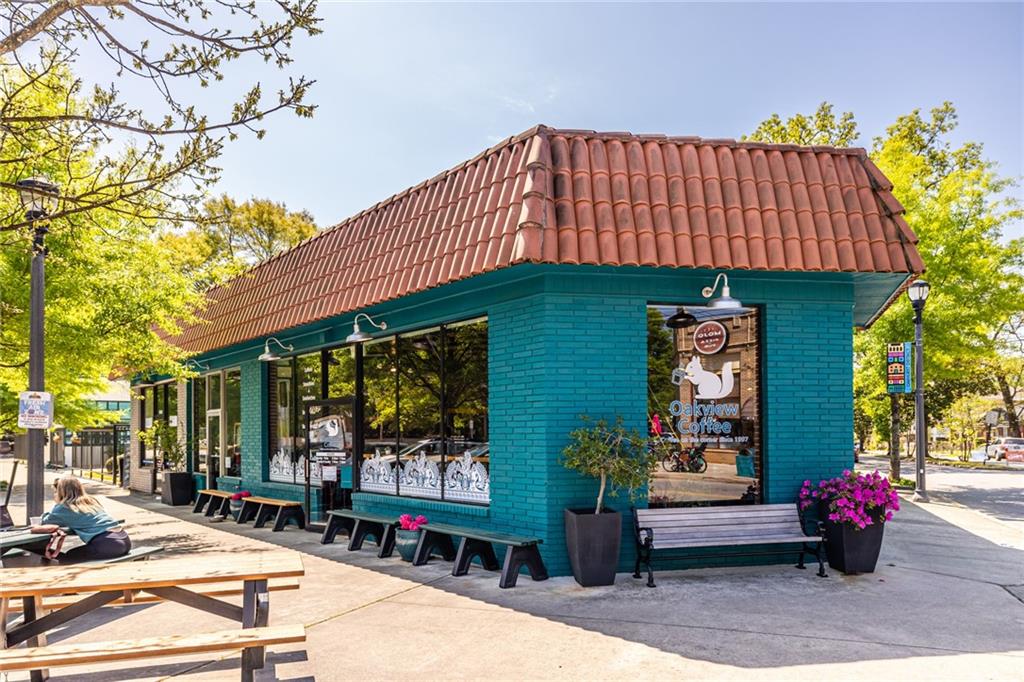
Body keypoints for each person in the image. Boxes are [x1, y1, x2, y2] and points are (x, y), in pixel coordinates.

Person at [30, 476, 131, 563]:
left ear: (61, 492)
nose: (54, 494)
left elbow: (45, 521)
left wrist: (58, 503)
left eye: (56, 492)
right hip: (124, 540)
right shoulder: (90, 501)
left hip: (108, 544)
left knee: (68, 558)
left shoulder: (64, 507)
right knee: (76, 555)